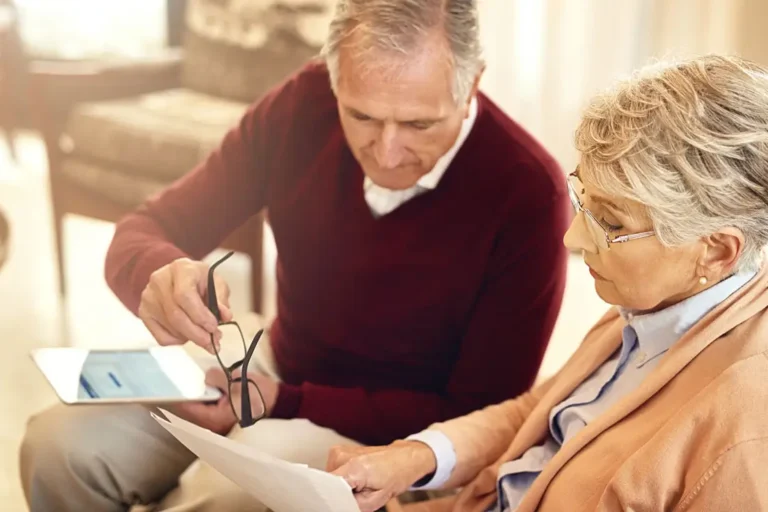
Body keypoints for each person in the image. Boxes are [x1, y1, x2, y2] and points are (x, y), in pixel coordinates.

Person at [20, 1, 571, 511]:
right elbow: (147, 228)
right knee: (57, 448)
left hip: (390, 434)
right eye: (361, 116)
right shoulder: (302, 104)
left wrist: (289, 400)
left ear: (472, 82)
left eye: (419, 124)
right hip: (270, 370)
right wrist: (158, 274)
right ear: (333, 79)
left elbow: (480, 416)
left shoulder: (529, 194)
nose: (386, 151)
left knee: (228, 503)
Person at [327, 55, 768, 512]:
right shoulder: (665, 303)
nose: (573, 237)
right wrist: (410, 458)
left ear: (717, 251)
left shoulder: (745, 428)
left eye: (610, 222)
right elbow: (536, 415)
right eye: (585, 201)